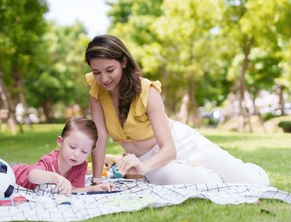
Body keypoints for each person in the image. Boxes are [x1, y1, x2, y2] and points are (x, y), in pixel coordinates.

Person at [85, 34, 270, 186]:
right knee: (208, 183)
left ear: (124, 62)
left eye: (110, 70)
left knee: (255, 182)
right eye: (97, 72)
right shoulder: (96, 89)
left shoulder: (147, 91)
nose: (104, 78)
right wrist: (97, 180)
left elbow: (169, 149)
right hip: (147, 159)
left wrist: (144, 167)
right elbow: (99, 136)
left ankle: (235, 169)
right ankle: (199, 172)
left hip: (178, 143)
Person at [12, 117, 114, 195]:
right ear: (60, 142)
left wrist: (93, 188)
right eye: (72, 147)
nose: (77, 154)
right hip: (13, 174)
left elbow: (72, 189)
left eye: (84, 151)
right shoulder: (50, 160)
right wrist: (55, 178)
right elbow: (32, 175)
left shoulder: (81, 166)